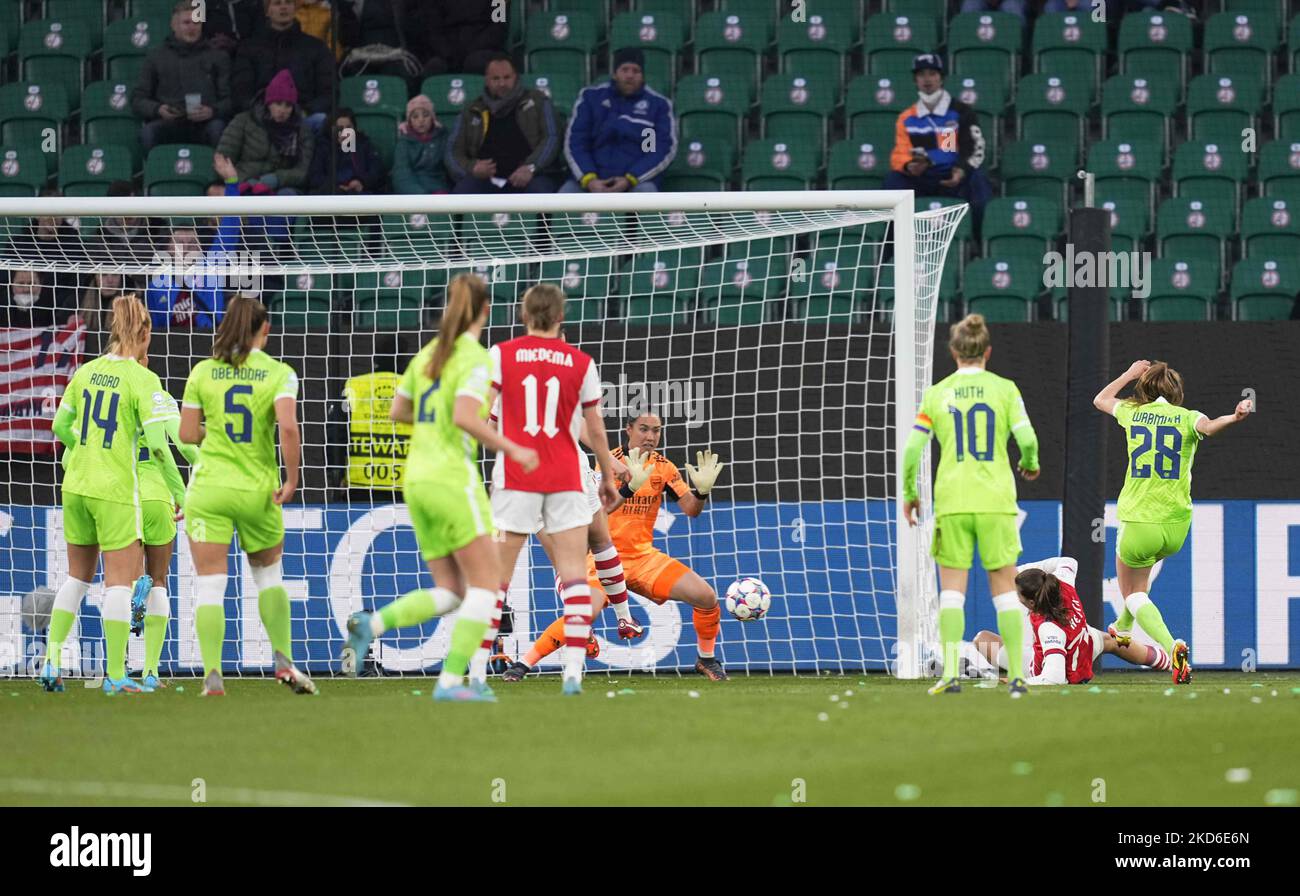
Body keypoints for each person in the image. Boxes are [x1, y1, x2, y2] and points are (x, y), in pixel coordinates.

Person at [339, 275, 541, 702]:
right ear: (486, 310)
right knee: (487, 587)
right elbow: (467, 417)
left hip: (416, 478)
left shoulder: (430, 354)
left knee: (452, 591)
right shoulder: (475, 357)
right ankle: (451, 682)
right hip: (452, 478)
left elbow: (398, 410)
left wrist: (432, 424)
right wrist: (514, 450)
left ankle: (371, 625)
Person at [505, 413, 726, 680]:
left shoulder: (664, 467)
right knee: (583, 612)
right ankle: (524, 664)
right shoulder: (604, 464)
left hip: (644, 559)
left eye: (656, 431)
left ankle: (706, 660)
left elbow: (691, 510)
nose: (650, 436)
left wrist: (701, 493)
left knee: (706, 597)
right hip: (601, 558)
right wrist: (630, 486)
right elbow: (602, 510)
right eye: (644, 429)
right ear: (628, 430)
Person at [41, 295, 187, 694]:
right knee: (120, 583)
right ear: (143, 333)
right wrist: (184, 496)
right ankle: (116, 675)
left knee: (77, 577)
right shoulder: (142, 379)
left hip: (75, 485)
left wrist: (84, 447)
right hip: (115, 489)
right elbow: (159, 447)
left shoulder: (86, 371)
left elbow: (59, 426)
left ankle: (52, 659)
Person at [488, 283, 621, 695]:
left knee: (497, 579)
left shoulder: (501, 354)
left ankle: (476, 674)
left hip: (516, 475)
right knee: (575, 577)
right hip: (565, 476)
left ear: (523, 316)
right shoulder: (580, 361)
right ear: (561, 318)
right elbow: (594, 426)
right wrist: (608, 471)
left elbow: (488, 421)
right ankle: (573, 674)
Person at [901, 313, 1040, 697]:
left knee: (952, 592)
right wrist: (1029, 465)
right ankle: (1016, 678)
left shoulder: (937, 393)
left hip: (953, 501)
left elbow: (912, 450)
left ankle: (949, 675)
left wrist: (910, 493)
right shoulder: (1005, 389)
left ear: (953, 351)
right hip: (996, 500)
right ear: (988, 352)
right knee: (1005, 591)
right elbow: (1027, 441)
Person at [179, 294, 311, 696]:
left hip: (209, 490)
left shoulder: (202, 371)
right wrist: (291, 479)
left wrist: (213, 433)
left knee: (210, 586)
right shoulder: (279, 373)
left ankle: (213, 676)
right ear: (264, 329)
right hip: (257, 490)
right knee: (269, 576)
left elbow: (186, 434)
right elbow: (287, 428)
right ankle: (284, 661)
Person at [1093, 360, 1252, 684]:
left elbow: (1100, 399)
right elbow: (1209, 427)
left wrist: (1128, 374)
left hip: (1139, 519)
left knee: (1133, 593)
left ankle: (1172, 647)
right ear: (1176, 392)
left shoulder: (1133, 412)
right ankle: (1122, 628)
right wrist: (1234, 417)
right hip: (1177, 525)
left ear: (1145, 388)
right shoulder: (1188, 417)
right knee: (1143, 578)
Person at [968, 557, 1174, 685]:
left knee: (981, 639)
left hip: (1065, 669)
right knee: (1112, 640)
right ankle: (1168, 661)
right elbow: (1069, 560)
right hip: (1084, 643)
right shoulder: (1062, 582)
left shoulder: (1049, 628)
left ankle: (1167, 660)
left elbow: (1055, 678)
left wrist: (1022, 680)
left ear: (1031, 602)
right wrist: (1022, 570)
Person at [885, 54, 992, 225]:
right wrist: (909, 166)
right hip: (922, 177)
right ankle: (891, 245)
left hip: (954, 174)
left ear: (941, 78)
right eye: (921, 75)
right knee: (893, 182)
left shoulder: (960, 112)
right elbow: (900, 153)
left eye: (932, 74)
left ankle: (977, 241)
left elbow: (971, 148)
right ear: (915, 80)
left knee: (978, 183)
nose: (927, 79)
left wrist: (960, 170)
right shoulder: (906, 118)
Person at [560, 48, 677, 194]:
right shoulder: (591, 98)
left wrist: (630, 179)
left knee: (647, 193)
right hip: (591, 179)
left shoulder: (657, 106)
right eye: (624, 69)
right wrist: (589, 179)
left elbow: (656, 150)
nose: (630, 75)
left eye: (636, 71)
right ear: (615, 73)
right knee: (565, 194)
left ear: (643, 76)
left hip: (635, 182)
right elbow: (577, 143)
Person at [144, 156, 241, 330]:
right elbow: (154, 329)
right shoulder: (156, 284)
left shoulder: (211, 265)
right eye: (180, 242)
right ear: (169, 249)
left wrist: (232, 182)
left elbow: (230, 226)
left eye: (192, 242)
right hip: (171, 349)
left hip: (209, 343)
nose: (187, 246)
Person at [447, 53, 560, 194]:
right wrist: (472, 168)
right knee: (461, 194)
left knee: (542, 195)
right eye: (496, 78)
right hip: (485, 180)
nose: (502, 83)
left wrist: (531, 167)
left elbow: (552, 138)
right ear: (487, 80)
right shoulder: (471, 110)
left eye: (507, 77)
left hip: (532, 176)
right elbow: (452, 151)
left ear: (516, 77)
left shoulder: (539, 101)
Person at [132, 0, 231, 152]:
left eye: (196, 23)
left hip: (205, 123)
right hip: (169, 124)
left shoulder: (218, 57)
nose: (192, 27)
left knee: (218, 130)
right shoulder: (156, 56)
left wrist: (213, 111)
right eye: (186, 23)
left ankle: (218, 176)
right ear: (174, 26)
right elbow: (138, 99)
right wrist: (158, 109)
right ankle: (157, 175)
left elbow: (230, 100)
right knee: (148, 133)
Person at [231, 0, 335, 130]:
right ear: (267, 11)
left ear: (294, 8)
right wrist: (264, 112)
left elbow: (329, 92)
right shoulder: (249, 48)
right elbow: (241, 92)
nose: (284, 7)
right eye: (277, 3)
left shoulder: (316, 47)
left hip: (304, 117)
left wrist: (303, 111)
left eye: (288, 3)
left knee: (323, 121)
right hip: (260, 118)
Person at [216, 69, 316, 196]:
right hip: (244, 184)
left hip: (281, 188)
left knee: (288, 197)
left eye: (288, 105)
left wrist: (276, 179)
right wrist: (246, 182)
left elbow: (303, 171)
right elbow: (222, 161)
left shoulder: (302, 130)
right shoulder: (243, 121)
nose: (283, 110)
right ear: (268, 103)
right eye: (278, 103)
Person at [409, 0, 508, 78]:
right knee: (435, 67)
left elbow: (499, 26)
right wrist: (448, 53)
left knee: (475, 63)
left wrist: (472, 49)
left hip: (485, 48)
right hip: (449, 51)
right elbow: (433, 29)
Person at [307, 108, 386, 194]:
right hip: (331, 194)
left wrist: (362, 182)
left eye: (348, 127)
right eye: (340, 128)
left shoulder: (363, 144)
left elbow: (377, 171)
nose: (345, 132)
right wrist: (336, 185)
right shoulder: (323, 146)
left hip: (360, 194)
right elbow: (315, 177)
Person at [391, 94, 451, 194]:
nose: (421, 120)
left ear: (432, 118)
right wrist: (419, 195)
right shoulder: (404, 143)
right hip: (413, 193)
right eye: (415, 116)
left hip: (438, 189)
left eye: (426, 115)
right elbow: (401, 174)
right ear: (409, 120)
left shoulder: (443, 138)